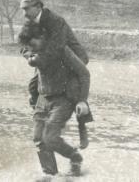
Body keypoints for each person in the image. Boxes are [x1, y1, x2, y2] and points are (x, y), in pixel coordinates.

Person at [19, 0, 93, 148]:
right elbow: (24, 43)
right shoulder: (31, 21)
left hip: (72, 57)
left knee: (74, 88)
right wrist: (29, 56)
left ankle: (82, 125)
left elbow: (57, 48)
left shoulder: (55, 21)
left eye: (26, 9)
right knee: (34, 86)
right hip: (47, 58)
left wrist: (36, 60)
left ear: (38, 6)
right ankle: (41, 112)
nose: (24, 13)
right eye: (22, 9)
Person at [18, 22, 93, 176]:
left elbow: (84, 74)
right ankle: (50, 175)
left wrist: (82, 100)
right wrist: (29, 55)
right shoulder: (34, 50)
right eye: (29, 46)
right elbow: (26, 51)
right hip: (43, 97)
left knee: (50, 138)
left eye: (33, 45)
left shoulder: (61, 50)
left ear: (42, 37)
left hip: (64, 99)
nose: (32, 50)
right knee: (38, 139)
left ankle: (74, 156)